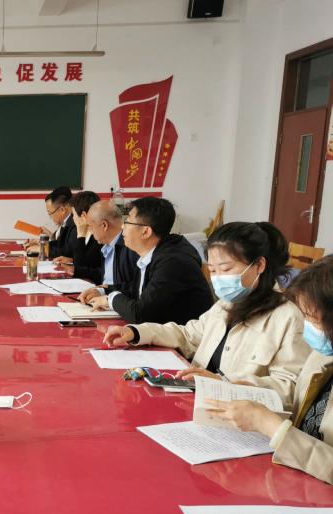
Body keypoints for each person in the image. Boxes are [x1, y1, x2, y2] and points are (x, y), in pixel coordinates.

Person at [102, 222, 309, 398]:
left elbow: (289, 388)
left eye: (226, 269)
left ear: (259, 265)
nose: (219, 278)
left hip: (237, 414)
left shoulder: (288, 317)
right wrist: (136, 332)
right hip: (198, 400)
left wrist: (223, 383)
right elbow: (188, 335)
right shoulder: (227, 304)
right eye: (213, 270)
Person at [204, 255, 333, 485]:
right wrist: (246, 387)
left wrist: (270, 426)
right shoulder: (323, 353)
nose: (307, 328)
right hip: (294, 474)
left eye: (313, 319)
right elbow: (299, 401)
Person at [87, 197, 213, 324]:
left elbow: (140, 315)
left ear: (146, 232)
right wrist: (104, 290)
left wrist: (109, 299)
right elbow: (137, 289)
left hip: (186, 334)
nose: (122, 226)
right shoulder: (153, 252)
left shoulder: (172, 262)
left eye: (128, 221)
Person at [77, 200, 138, 300]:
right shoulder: (107, 245)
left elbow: (137, 287)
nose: (90, 232)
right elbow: (106, 276)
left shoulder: (131, 247)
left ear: (104, 225)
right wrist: (75, 270)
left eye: (90, 227)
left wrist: (104, 291)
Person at [55, 191, 103, 281]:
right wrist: (71, 260)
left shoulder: (100, 237)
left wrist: (81, 235)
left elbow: (80, 267)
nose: (73, 218)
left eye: (73, 215)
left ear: (83, 216)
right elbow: (85, 261)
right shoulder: (77, 231)